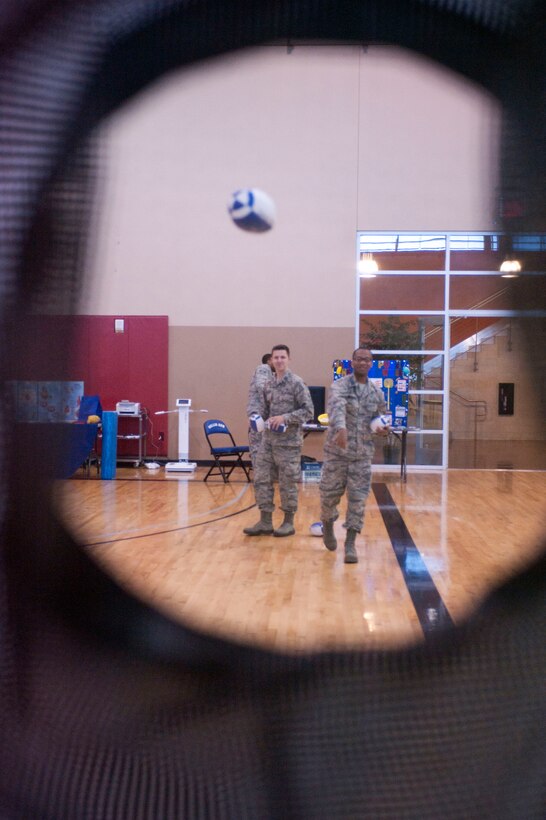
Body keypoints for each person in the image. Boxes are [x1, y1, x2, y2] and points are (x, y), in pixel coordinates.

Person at [320, 347, 389, 563]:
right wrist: (340, 428)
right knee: (329, 497)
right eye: (359, 359)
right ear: (352, 362)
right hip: (337, 454)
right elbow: (336, 407)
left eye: (367, 360)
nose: (362, 363)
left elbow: (382, 415)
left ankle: (350, 543)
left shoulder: (376, 392)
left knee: (358, 501)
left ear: (371, 364)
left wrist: (383, 428)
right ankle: (328, 524)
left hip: (362, 456)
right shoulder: (340, 386)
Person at [244, 344, 314, 537]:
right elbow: (264, 410)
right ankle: (265, 521)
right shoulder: (268, 384)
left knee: (287, 483)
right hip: (268, 442)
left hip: (289, 444)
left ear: (288, 359)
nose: (279, 361)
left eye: (283, 357)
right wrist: (256, 418)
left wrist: (286, 418)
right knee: (261, 479)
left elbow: (309, 411)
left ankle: (288, 522)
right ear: (271, 361)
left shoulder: (296, 383)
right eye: (276, 358)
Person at [247, 352, 274, 469]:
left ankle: (264, 472)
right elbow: (261, 386)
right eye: (275, 359)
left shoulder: (271, 373)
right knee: (258, 445)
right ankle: (258, 472)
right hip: (258, 413)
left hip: (263, 413)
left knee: (264, 444)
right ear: (268, 360)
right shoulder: (264, 368)